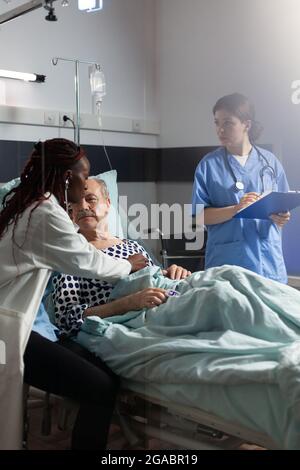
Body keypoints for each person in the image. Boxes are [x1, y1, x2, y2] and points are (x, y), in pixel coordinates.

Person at [0, 138, 147, 450]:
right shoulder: (45, 214)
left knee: (104, 371)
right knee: (100, 386)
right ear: (68, 178)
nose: (85, 203)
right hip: (9, 329)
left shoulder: (31, 204)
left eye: (95, 199)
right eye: (85, 177)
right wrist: (128, 266)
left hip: (19, 322)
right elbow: (88, 262)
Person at [52, 178, 191, 335]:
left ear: (108, 203)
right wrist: (129, 303)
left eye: (90, 199)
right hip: (137, 321)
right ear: (71, 214)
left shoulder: (134, 246)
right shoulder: (72, 257)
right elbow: (66, 319)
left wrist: (175, 273)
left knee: (215, 287)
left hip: (169, 299)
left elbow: (156, 279)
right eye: (75, 203)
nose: (83, 206)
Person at [192, 93, 290, 283]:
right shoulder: (208, 165)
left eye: (228, 122)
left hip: (267, 261)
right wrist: (236, 209)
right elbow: (199, 215)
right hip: (227, 262)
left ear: (247, 124)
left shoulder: (270, 163)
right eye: (217, 122)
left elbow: (282, 207)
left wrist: (282, 217)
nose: (220, 129)